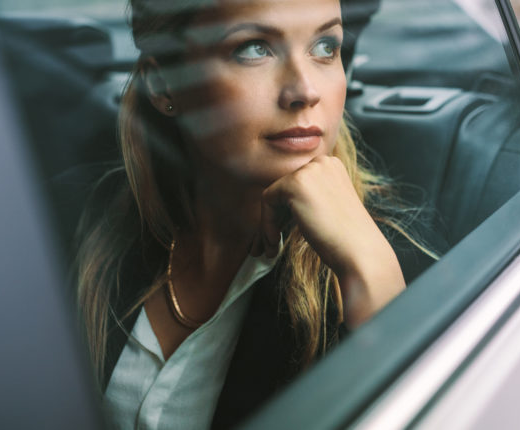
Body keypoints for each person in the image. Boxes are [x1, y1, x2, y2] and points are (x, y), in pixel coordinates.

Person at [71, 0, 437, 427]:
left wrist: (373, 281)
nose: (305, 90)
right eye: (253, 49)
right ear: (163, 84)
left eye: (325, 46)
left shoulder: (405, 261)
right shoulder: (88, 221)